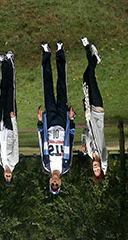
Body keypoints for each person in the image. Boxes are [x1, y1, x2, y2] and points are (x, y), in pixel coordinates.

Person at [38, 42, 75, 195]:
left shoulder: (46, 164)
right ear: (60, 182)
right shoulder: (66, 165)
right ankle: (60, 51)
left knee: (47, 88)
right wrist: (71, 120)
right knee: (61, 86)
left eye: (52, 184)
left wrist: (40, 122)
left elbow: (42, 142)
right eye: (56, 184)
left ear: (49, 182)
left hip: (50, 122)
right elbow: (71, 142)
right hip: (62, 121)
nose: (54, 182)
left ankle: (46, 53)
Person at [80, 38, 108, 183]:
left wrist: (83, 142)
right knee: (91, 78)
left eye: (95, 170)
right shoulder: (103, 155)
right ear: (102, 169)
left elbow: (85, 132)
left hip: (89, 113)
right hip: (98, 111)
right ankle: (88, 50)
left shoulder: (91, 152)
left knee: (86, 78)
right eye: (98, 170)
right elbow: (104, 162)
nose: (96, 168)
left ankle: (95, 58)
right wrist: (104, 168)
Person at [0, 51, 19, 186]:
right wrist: (13, 120)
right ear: (12, 175)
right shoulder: (14, 160)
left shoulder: (1, 163)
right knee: (10, 92)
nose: (8, 174)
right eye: (10, 176)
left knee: (3, 94)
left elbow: (0, 146)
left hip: (1, 127)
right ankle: (10, 61)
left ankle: (3, 63)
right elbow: (16, 139)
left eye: (6, 176)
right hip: (10, 125)